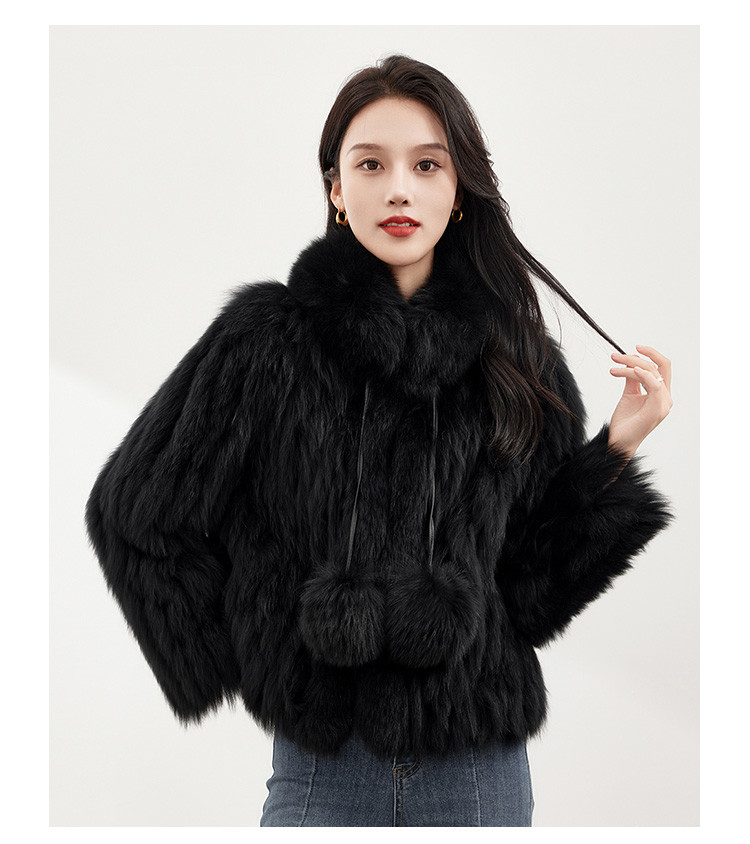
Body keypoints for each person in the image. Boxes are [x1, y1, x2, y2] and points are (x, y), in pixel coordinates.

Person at [84, 54, 675, 827]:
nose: (400, 188)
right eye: (371, 163)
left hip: (477, 777)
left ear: (458, 190)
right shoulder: (264, 343)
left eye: (427, 164)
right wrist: (263, 662)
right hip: (324, 777)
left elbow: (532, 594)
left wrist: (620, 444)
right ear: (336, 187)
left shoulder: (517, 360)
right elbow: (136, 514)